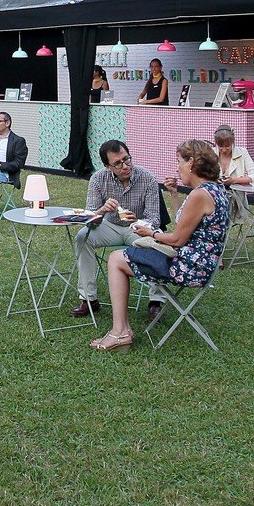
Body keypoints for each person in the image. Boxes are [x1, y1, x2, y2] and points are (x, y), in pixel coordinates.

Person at [91, 139, 229, 350]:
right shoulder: (215, 189)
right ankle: (122, 329)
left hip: (188, 267)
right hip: (199, 263)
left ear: (191, 163)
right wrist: (174, 194)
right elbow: (184, 225)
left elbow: (177, 239)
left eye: (179, 162)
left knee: (116, 259)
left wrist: (151, 233)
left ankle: (120, 332)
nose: (177, 167)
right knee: (123, 255)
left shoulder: (200, 195)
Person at [69, 140, 163, 318]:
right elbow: (90, 220)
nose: (125, 165)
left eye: (127, 159)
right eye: (117, 163)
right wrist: (102, 210)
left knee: (157, 241)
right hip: (109, 224)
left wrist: (137, 221)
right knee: (83, 237)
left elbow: (154, 220)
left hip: (135, 227)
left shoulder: (147, 178)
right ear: (107, 166)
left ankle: (156, 300)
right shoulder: (98, 178)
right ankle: (89, 298)